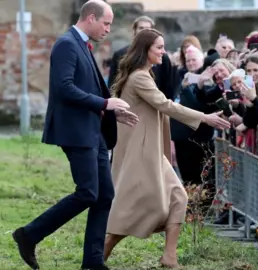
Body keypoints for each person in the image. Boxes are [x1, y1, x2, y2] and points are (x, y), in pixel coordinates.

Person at [11, 1, 138, 270]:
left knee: (104, 195)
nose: (108, 28)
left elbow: (87, 88)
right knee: (88, 193)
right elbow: (64, 88)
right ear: (90, 18)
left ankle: (92, 262)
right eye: (106, 22)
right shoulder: (67, 44)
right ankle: (29, 234)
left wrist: (111, 111)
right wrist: (105, 104)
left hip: (94, 132)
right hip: (77, 132)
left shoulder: (81, 44)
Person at [103, 28, 230, 268]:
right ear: (145, 50)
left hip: (150, 151)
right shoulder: (139, 77)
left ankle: (169, 256)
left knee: (178, 198)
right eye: (159, 47)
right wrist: (205, 117)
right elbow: (167, 105)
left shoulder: (144, 74)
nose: (164, 51)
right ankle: (102, 251)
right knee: (147, 207)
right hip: (141, 152)